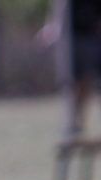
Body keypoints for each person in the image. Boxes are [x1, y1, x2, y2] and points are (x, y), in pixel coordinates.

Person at [43, 0, 101, 137]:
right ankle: (73, 123)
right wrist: (51, 27)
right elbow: (58, 8)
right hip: (71, 38)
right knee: (73, 82)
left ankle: (77, 122)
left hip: (92, 36)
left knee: (87, 81)